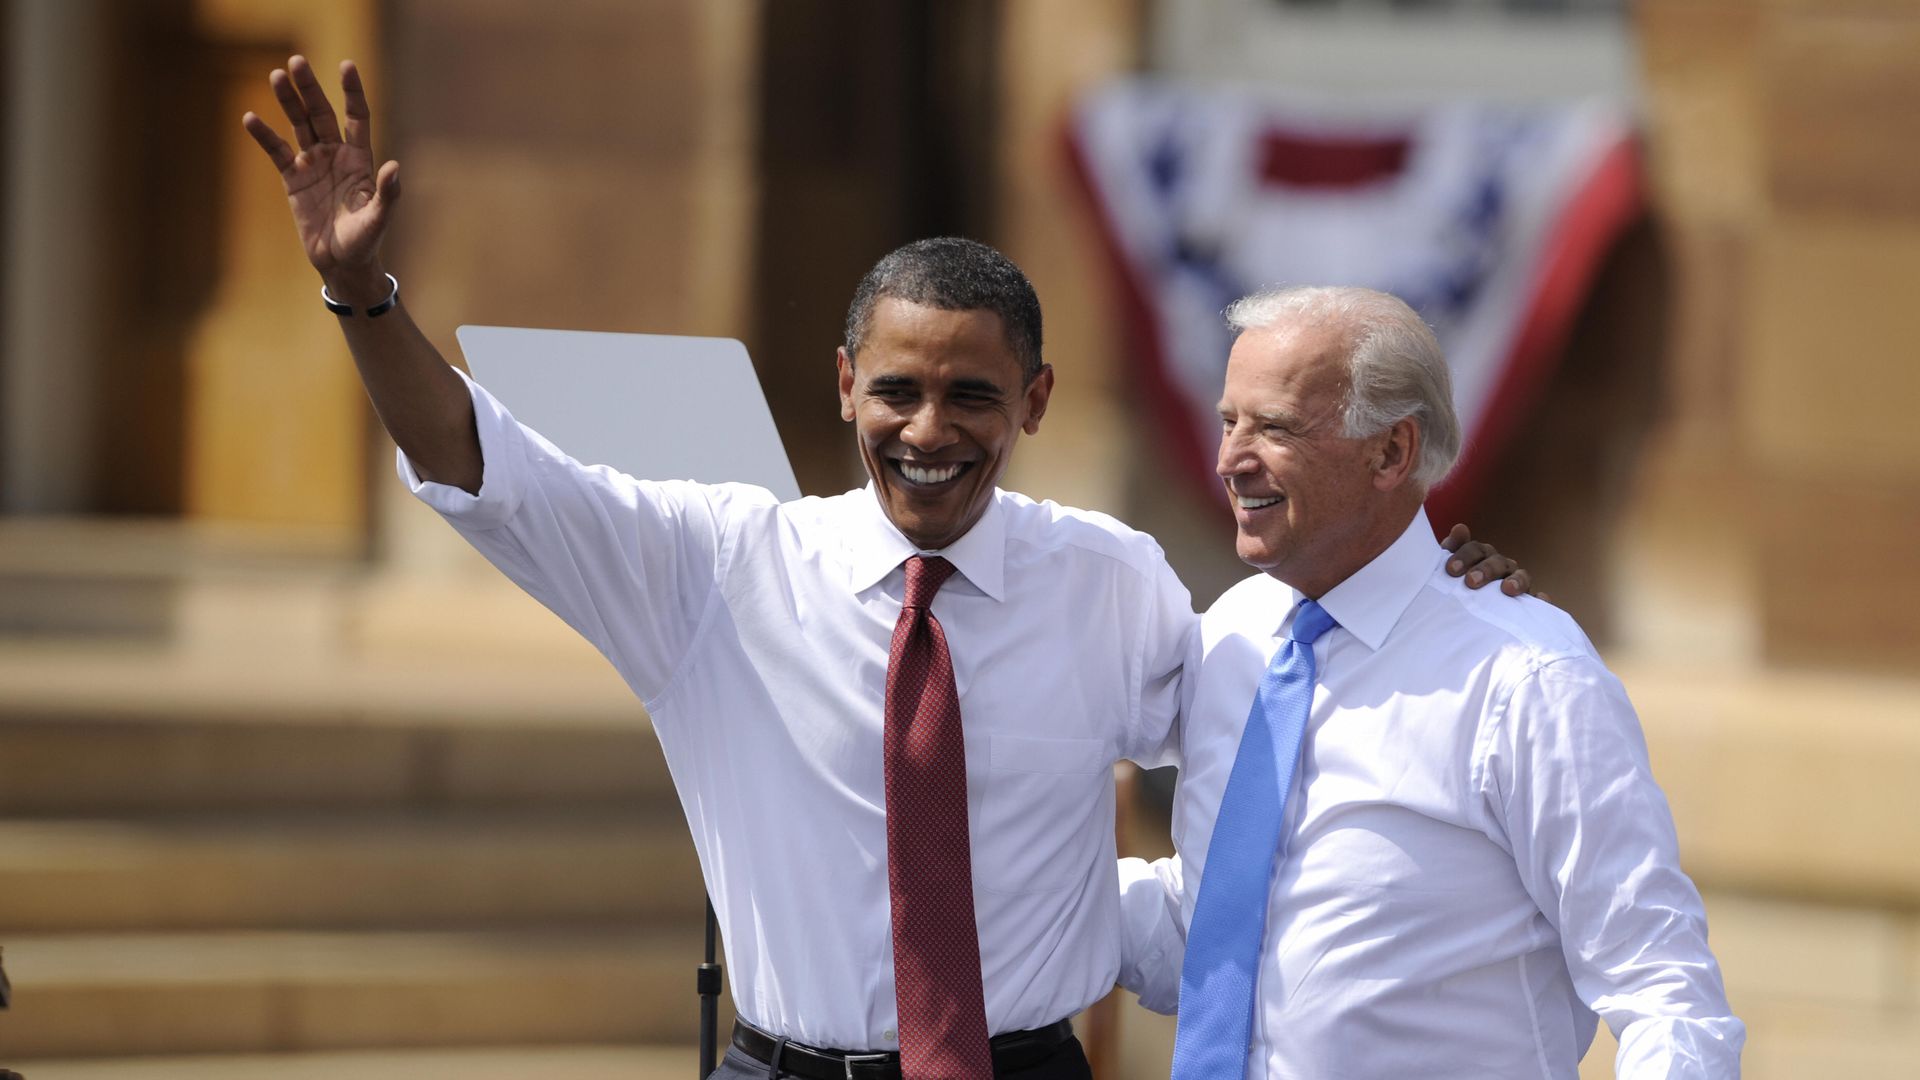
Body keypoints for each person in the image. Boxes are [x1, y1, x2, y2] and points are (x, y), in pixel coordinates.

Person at [241, 58, 1526, 1080]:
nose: (928, 431)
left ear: (1034, 401)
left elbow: (1288, 709)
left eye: (973, 395)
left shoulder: (1113, 582)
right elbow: (487, 468)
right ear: (846, 386)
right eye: (898, 391)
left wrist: (1426, 588)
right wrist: (363, 297)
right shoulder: (718, 570)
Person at [1116, 287, 1743, 1078]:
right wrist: (1015, 893)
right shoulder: (1229, 636)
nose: (1230, 461)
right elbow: (1225, 923)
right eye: (1229, 420)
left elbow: (1663, 985)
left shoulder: (1525, 680)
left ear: (1391, 452)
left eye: (1274, 427)